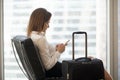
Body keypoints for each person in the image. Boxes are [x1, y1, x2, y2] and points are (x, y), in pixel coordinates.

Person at [26, 8, 113, 79]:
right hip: (59, 70)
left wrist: (55, 48)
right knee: (96, 65)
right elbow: (48, 66)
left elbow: (45, 53)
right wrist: (59, 52)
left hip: (59, 67)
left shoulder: (32, 36)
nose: (48, 26)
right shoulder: (41, 39)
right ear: (40, 22)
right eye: (47, 23)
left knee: (89, 59)